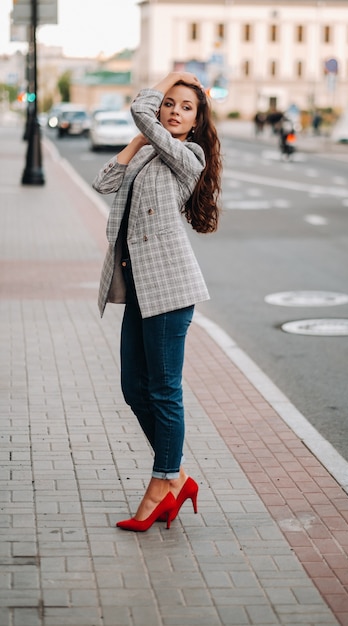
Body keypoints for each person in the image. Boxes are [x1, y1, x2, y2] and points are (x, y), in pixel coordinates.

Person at [92, 71, 222, 532]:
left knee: (164, 390)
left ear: (196, 122)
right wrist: (137, 139)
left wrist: (168, 80)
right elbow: (103, 182)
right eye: (169, 102)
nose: (173, 111)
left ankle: (162, 480)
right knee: (134, 388)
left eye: (185, 107)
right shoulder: (150, 149)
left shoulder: (189, 155)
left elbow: (139, 109)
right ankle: (178, 476)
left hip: (169, 288)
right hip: (138, 290)